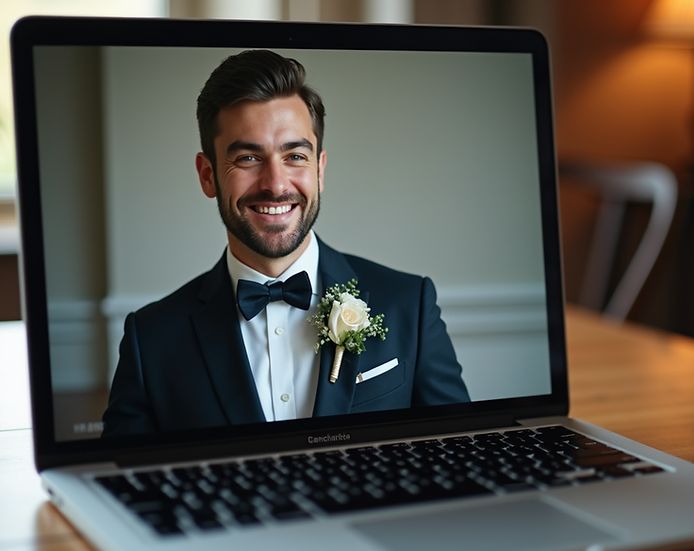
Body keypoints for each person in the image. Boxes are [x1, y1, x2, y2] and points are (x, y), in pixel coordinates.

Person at [102, 50, 469, 437]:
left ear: (319, 169)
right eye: (247, 158)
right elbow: (120, 479)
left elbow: (461, 453)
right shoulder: (152, 338)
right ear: (208, 175)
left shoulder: (409, 303)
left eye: (295, 156)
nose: (276, 185)